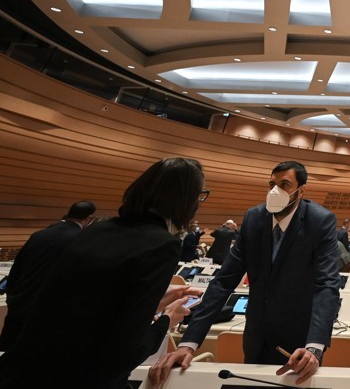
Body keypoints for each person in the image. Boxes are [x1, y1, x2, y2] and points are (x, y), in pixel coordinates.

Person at [0, 159, 204, 389]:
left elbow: (85, 306)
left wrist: (154, 302)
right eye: (199, 195)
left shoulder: (95, 231)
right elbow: (124, 352)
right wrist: (166, 320)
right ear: (186, 199)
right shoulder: (161, 245)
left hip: (23, 372)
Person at [150, 160, 342, 385]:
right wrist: (189, 343)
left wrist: (315, 346)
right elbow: (223, 282)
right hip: (256, 335)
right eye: (271, 184)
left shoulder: (320, 221)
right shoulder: (254, 219)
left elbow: (326, 284)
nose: (275, 190)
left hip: (299, 340)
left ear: (301, 190)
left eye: (284, 184)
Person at [0, 200, 96, 351]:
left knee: (7, 349)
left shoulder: (39, 234)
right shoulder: (82, 240)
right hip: (47, 308)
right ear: (89, 218)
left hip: (20, 301)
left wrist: (13, 296)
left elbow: (17, 268)